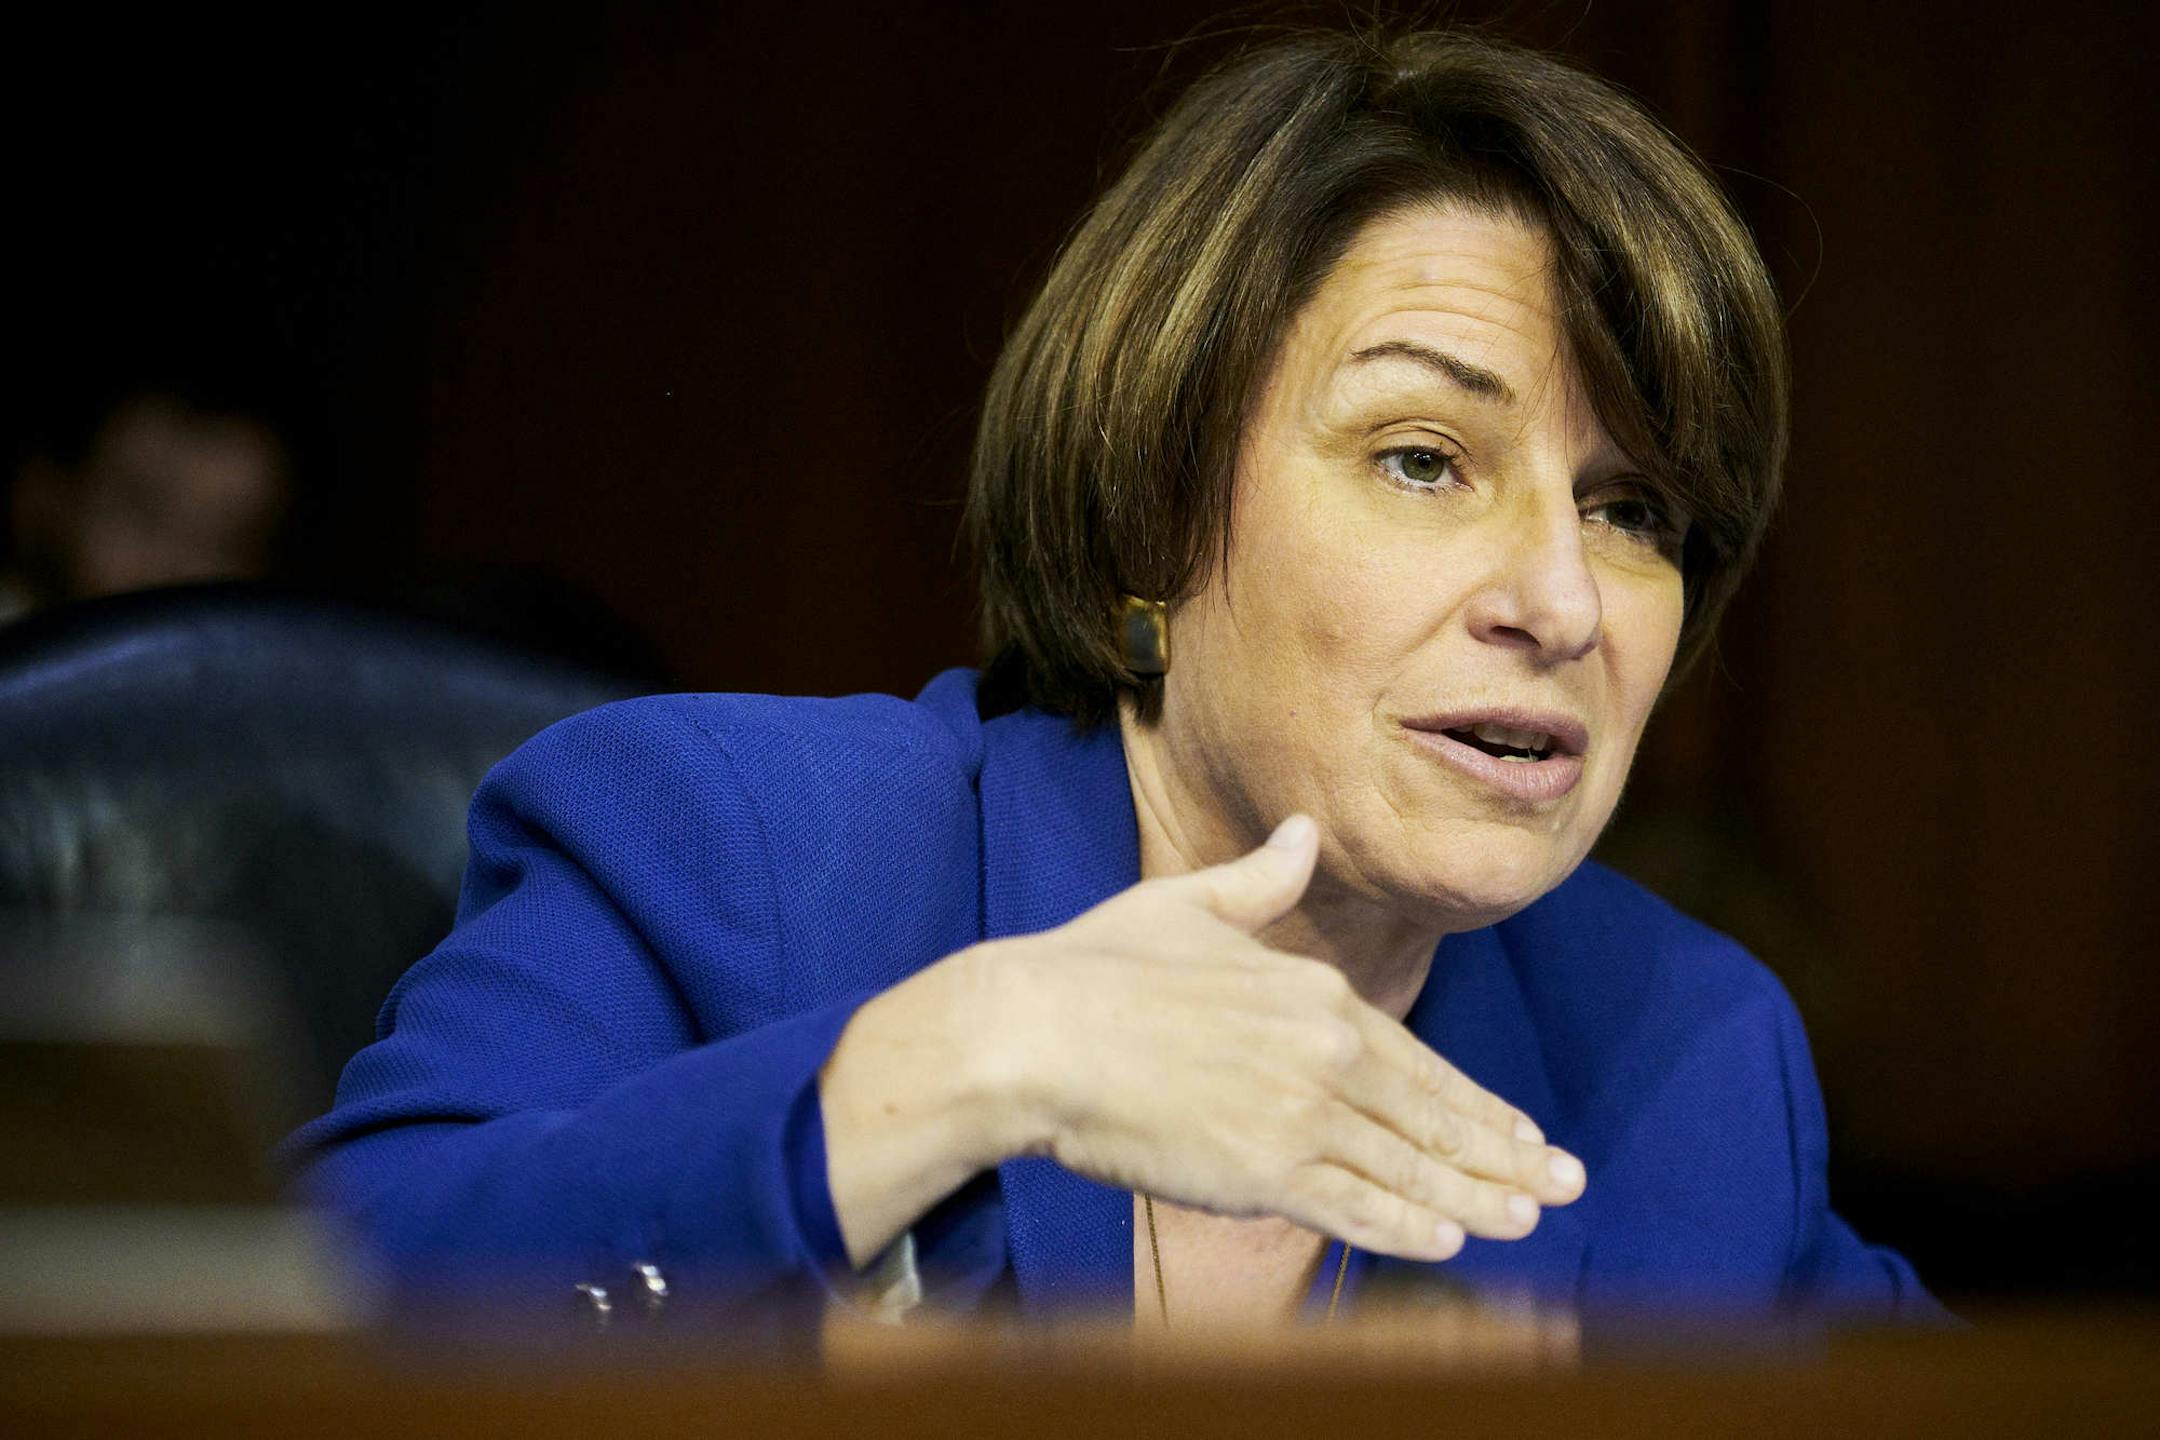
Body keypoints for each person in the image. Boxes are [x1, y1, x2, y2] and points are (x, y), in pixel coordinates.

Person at [291, 27, 1939, 1338]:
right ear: (1156, 498)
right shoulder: (735, 852)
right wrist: (975, 1060)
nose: (1562, 603)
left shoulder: (1683, 1058)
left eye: (1632, 511)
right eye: (1425, 458)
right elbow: (295, 1316)